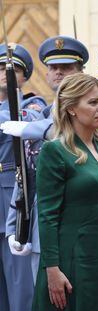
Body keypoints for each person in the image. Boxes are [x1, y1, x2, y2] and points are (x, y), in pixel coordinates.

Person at [32, 73, 98, 310]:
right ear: (72, 108)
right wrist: (51, 269)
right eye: (93, 102)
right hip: (74, 257)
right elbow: (47, 215)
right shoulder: (55, 151)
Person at [4, 36, 89, 283]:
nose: (58, 72)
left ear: (80, 71)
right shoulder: (40, 116)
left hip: (81, 222)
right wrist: (13, 225)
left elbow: (66, 127)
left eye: (67, 67)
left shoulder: (94, 108)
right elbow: (26, 175)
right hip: (43, 226)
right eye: (53, 67)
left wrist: (27, 128)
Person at [0, 42, 43, 311]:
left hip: (12, 195)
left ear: (24, 76)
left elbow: (22, 122)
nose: (5, 73)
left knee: (20, 287)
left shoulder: (33, 104)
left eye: (13, 69)